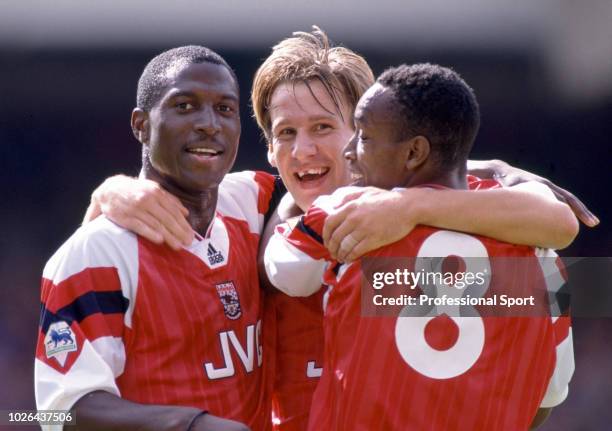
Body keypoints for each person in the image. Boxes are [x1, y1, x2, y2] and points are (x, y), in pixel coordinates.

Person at [83, 28, 591, 431]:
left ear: (365, 135)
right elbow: (53, 414)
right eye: (286, 133)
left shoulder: (460, 243)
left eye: (324, 128)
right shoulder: (243, 212)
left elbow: (541, 383)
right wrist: (110, 192)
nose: (304, 151)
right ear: (268, 150)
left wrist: (412, 206)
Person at [264, 63, 573, 430]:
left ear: (413, 153)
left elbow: (283, 270)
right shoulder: (542, 257)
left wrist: (290, 206)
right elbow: (548, 396)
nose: (350, 153)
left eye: (362, 137)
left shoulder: (349, 213)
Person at [35, 46, 284, 431]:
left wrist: (412, 204)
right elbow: (57, 412)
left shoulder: (255, 202)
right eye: (184, 106)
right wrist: (191, 426)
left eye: (225, 109)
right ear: (141, 125)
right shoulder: (99, 252)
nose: (209, 124)